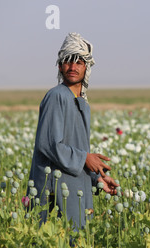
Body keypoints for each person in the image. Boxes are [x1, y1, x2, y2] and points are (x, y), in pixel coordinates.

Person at [28, 32, 119, 230]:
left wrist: (98, 178)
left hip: (75, 184)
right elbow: (49, 144)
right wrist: (86, 158)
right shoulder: (56, 96)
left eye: (79, 62)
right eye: (68, 62)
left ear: (87, 67)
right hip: (53, 187)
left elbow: (78, 148)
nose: (73, 67)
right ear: (60, 66)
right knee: (52, 243)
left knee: (77, 243)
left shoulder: (82, 103)